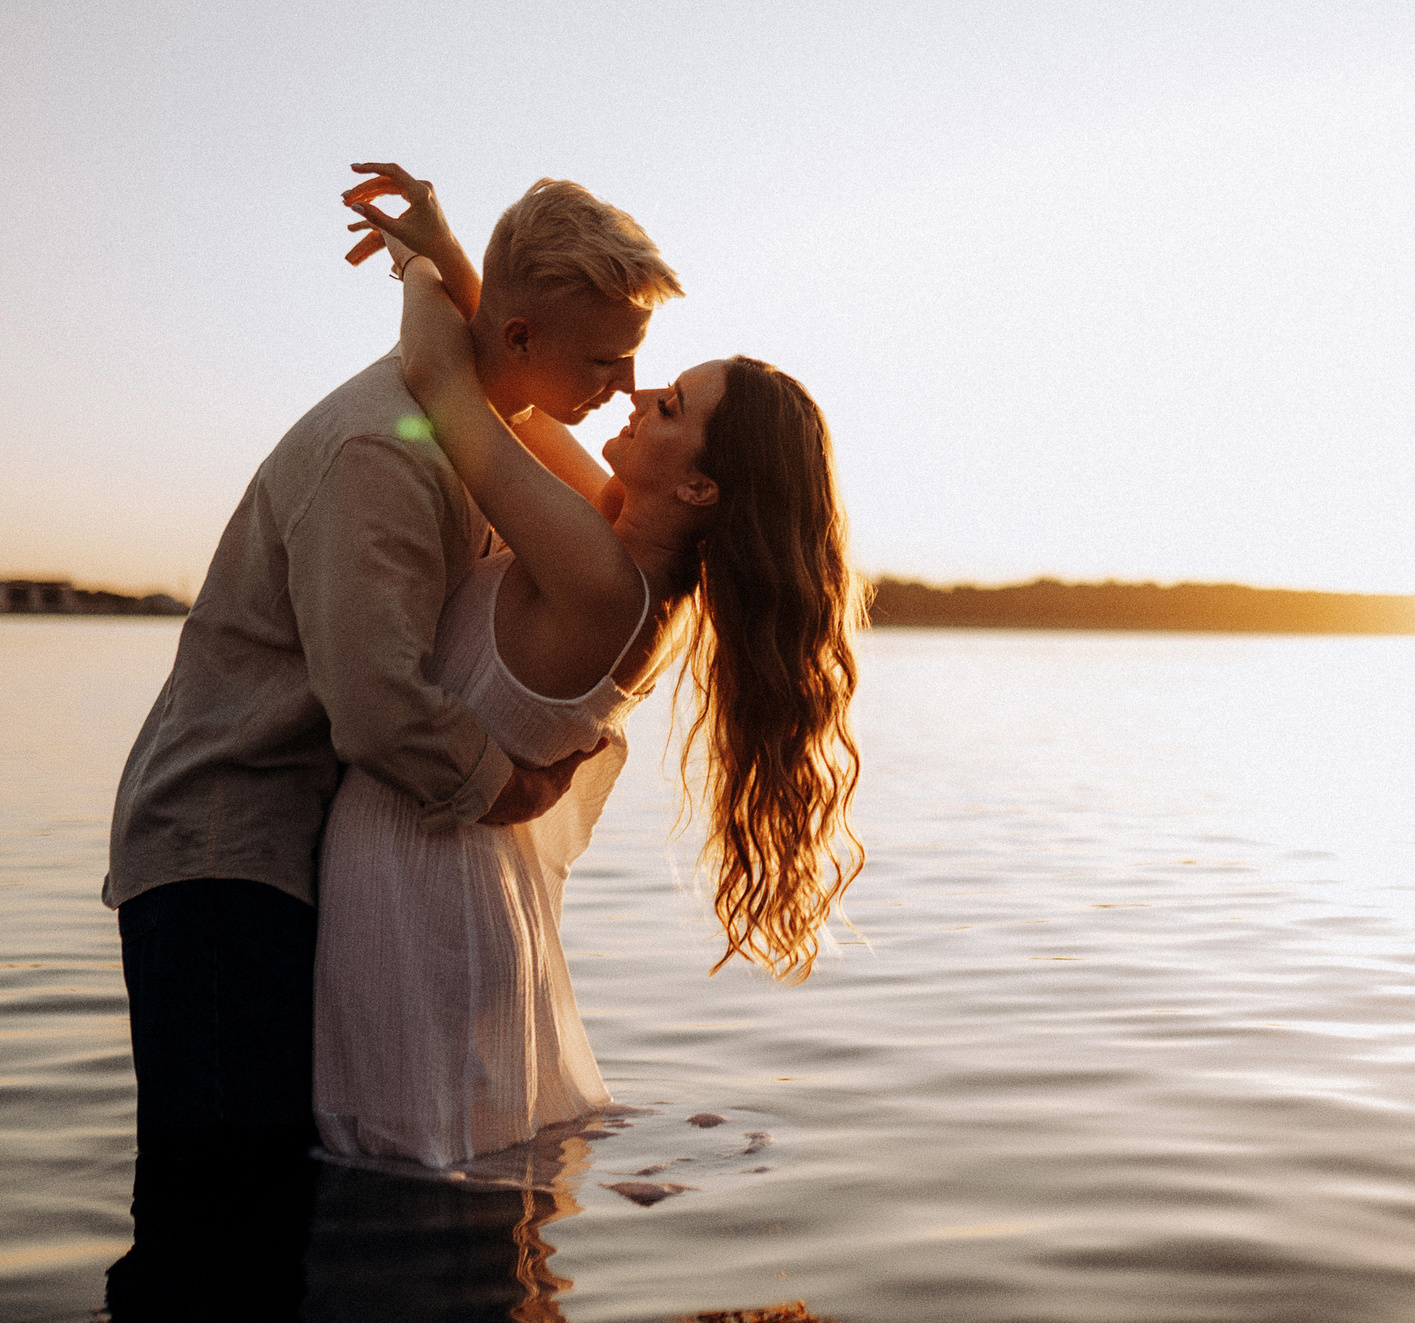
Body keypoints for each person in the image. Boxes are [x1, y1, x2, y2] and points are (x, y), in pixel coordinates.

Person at [101, 166, 683, 1314]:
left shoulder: (483, 418)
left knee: (267, 1203)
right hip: (224, 848)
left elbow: (497, 380)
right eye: (604, 361)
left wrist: (441, 264)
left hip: (285, 848)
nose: (627, 388)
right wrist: (504, 783)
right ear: (517, 333)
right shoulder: (386, 453)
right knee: (223, 1208)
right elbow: (374, 705)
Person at [311, 178, 862, 1175]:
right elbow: (509, 391)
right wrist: (461, 257)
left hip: (421, 893)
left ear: (696, 484)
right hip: (444, 883)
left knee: (419, 1208)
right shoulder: (615, 547)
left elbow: (450, 386)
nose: (638, 390)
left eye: (672, 405)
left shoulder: (598, 577)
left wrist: (420, 265)